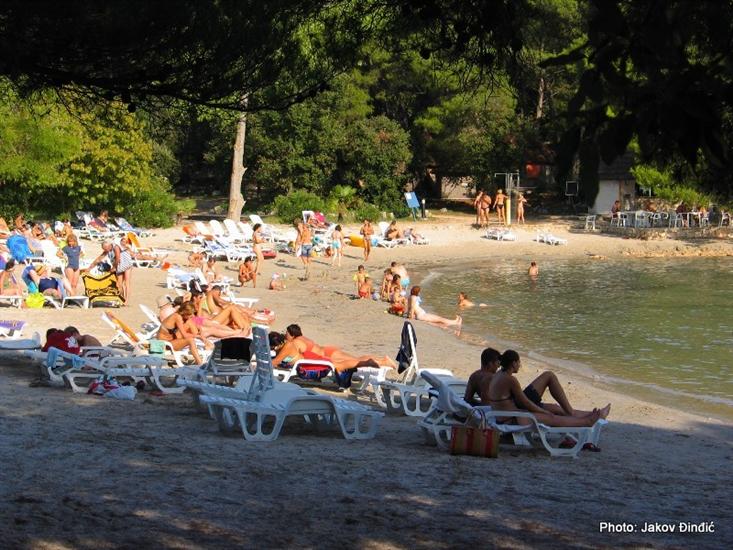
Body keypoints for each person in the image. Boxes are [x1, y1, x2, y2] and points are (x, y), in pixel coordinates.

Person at [488, 350, 610, 428]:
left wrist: (543, 409)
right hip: (513, 418)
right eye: (519, 362)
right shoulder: (510, 380)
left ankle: (592, 415)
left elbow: (520, 401)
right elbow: (524, 402)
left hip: (513, 411)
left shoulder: (500, 374)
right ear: (514, 363)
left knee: (555, 407)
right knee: (552, 417)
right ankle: (586, 422)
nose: (520, 365)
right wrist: (543, 412)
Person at [272, 324, 395, 387]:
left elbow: (302, 355)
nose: (285, 335)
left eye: (286, 333)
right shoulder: (302, 338)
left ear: (292, 334)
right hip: (327, 351)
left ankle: (380, 362)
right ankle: (382, 360)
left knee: (352, 361)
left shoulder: (295, 342)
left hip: (326, 356)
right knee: (355, 358)